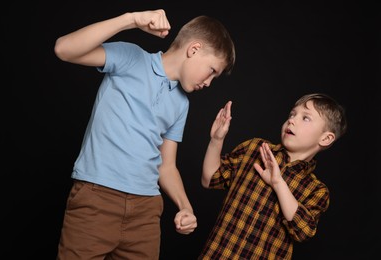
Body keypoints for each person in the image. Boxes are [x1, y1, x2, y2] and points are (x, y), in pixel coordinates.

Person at [54, 9, 235, 260]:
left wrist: (186, 207)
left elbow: (167, 166)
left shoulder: (182, 103)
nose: (209, 83)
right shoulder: (132, 58)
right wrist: (130, 20)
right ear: (194, 49)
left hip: (146, 212)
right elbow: (64, 48)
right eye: (212, 70)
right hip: (97, 199)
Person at [198, 93, 347, 259]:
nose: (292, 120)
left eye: (305, 118)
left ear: (326, 138)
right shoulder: (254, 149)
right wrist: (216, 140)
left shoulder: (317, 190)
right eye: (292, 114)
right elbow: (210, 178)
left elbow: (303, 231)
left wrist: (278, 183)